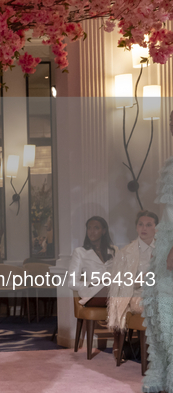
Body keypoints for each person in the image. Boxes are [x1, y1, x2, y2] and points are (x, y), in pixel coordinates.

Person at [141, 114, 173, 393]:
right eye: (172, 123)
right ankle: (162, 376)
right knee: (159, 315)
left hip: (171, 247)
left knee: (167, 311)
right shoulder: (170, 164)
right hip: (165, 244)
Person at [107, 210, 157, 360]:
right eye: (141, 224)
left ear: (156, 228)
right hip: (136, 296)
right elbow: (121, 283)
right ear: (136, 227)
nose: (144, 228)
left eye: (149, 225)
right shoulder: (125, 252)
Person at [68, 216, 117, 307]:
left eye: (96, 228)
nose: (91, 231)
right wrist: (94, 283)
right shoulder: (80, 252)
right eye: (89, 228)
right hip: (93, 292)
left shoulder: (112, 251)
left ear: (104, 231)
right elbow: (71, 283)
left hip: (112, 289)